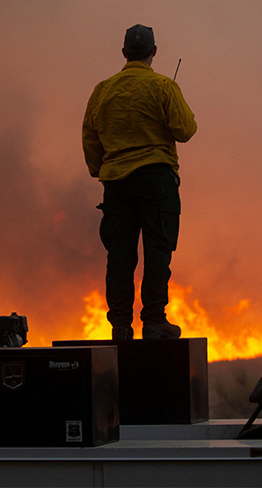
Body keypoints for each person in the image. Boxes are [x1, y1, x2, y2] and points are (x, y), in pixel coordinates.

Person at [82, 24, 197, 340]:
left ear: (123, 53)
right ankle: (154, 321)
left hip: (116, 182)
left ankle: (120, 325)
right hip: (156, 178)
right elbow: (185, 131)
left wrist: (100, 170)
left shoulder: (102, 91)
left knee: (119, 253)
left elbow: (90, 137)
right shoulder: (163, 87)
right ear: (153, 52)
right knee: (157, 249)